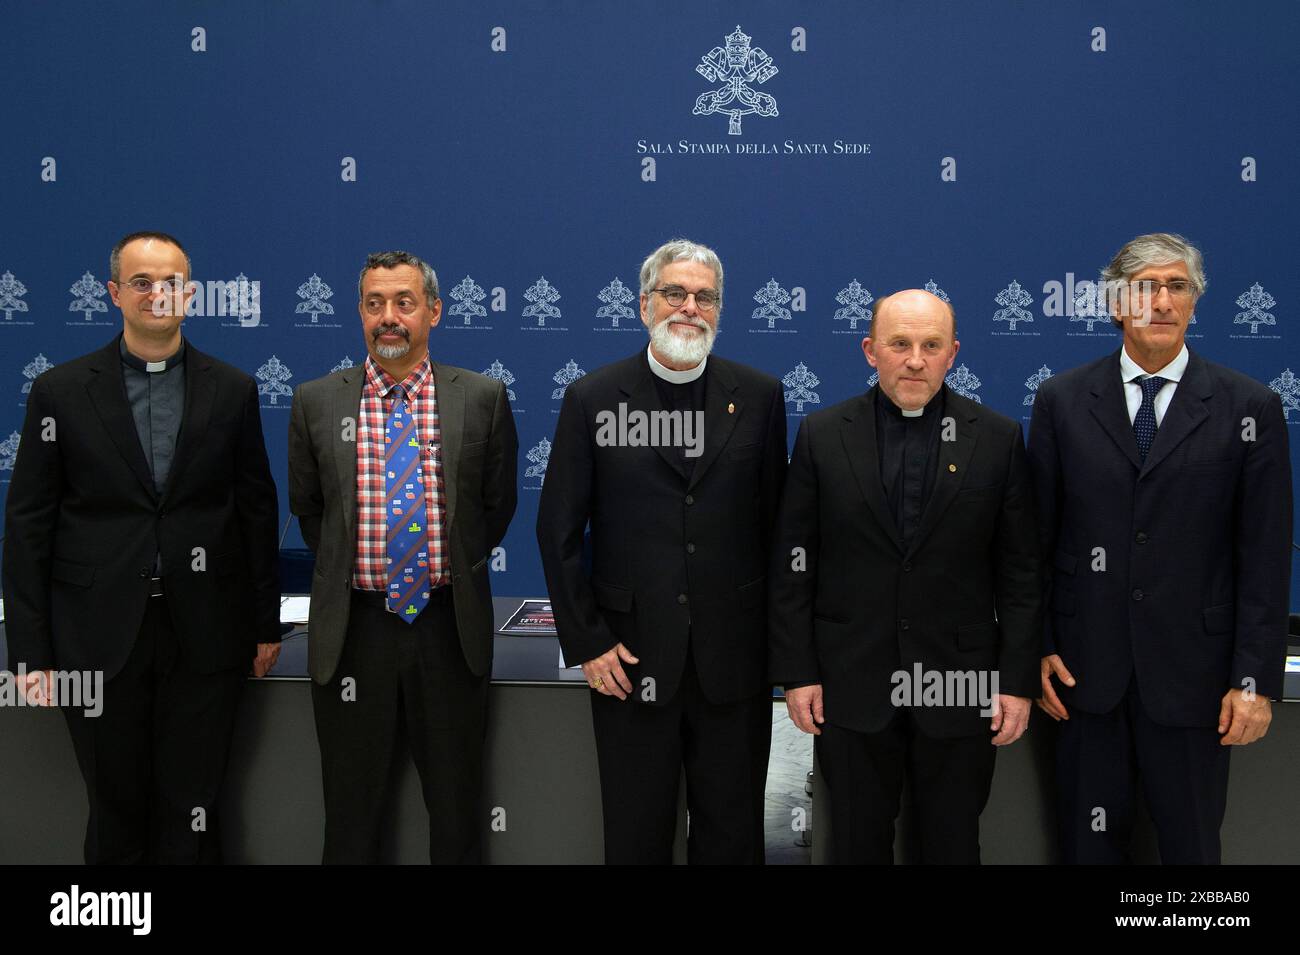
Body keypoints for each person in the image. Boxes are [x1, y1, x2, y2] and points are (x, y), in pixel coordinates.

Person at [2, 230, 282, 863]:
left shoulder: (232, 389)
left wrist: (265, 624)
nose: (159, 294)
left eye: (173, 282)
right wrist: (30, 652)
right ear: (114, 294)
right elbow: (27, 529)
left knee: (197, 810)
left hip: (206, 636)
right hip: (95, 639)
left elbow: (255, 515)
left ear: (191, 292)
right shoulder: (60, 393)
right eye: (142, 282)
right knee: (115, 810)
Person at [1029, 232, 1292, 864]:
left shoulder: (1249, 406)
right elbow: (1034, 541)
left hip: (1197, 684)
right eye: (1146, 287)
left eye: (1178, 286)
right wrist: (1033, 647)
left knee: (1191, 852)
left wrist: (1254, 679)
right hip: (1084, 679)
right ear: (1117, 302)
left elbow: (1265, 555)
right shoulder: (1062, 400)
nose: (1162, 301)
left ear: (1195, 303)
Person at [769, 288, 1042, 864]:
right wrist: (797, 673)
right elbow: (794, 563)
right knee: (856, 845)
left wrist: (1015, 681)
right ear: (870, 350)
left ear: (953, 353)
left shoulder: (997, 439)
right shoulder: (822, 434)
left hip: (962, 686)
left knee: (950, 845)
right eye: (899, 344)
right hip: (851, 684)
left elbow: (1019, 573)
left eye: (930, 345)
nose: (915, 359)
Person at [536, 238, 787, 863]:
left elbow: (780, 531)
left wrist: (781, 649)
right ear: (645, 304)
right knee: (636, 833)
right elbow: (557, 530)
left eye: (705, 297)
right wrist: (588, 642)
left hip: (733, 662)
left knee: (732, 837)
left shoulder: (759, 397)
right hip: (628, 658)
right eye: (674, 293)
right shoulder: (593, 399)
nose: (689, 307)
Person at [288, 250, 517, 863]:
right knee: (352, 811)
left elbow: (494, 509)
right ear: (360, 313)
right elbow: (311, 513)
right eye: (374, 304)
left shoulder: (482, 397)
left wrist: (431, 569)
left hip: (448, 627)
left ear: (434, 312)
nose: (388, 318)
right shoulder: (316, 401)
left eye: (403, 303)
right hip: (353, 630)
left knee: (456, 808)